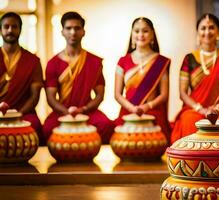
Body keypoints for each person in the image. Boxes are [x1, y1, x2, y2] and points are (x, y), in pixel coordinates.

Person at [171, 13, 219, 144]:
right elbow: (183, 93)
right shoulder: (189, 59)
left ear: (218, 32)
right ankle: (191, 161)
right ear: (198, 32)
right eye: (203, 28)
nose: (207, 32)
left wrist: (216, 108)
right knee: (189, 121)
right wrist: (200, 109)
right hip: (194, 108)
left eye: (211, 27)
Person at [43, 12, 115, 144]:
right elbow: (51, 98)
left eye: (77, 28)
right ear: (62, 32)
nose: (73, 32)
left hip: (88, 110)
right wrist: (67, 112)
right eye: (68, 28)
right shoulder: (53, 63)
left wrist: (83, 110)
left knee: (106, 126)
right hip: (62, 111)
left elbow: (100, 95)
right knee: (47, 129)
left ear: (83, 32)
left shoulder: (94, 61)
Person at [114, 17, 171, 141]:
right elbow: (117, 94)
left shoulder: (160, 62)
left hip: (153, 112)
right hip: (128, 112)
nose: (140, 34)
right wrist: (132, 108)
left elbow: (164, 94)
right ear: (132, 34)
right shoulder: (122, 61)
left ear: (152, 35)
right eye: (137, 31)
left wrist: (146, 107)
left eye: (145, 31)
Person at [0, 12, 45, 144]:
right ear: (1, 29)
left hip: (23, 112)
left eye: (14, 27)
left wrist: (18, 113)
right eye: (6, 26)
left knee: (34, 125)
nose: (10, 30)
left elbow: (34, 96)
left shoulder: (33, 60)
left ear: (20, 29)